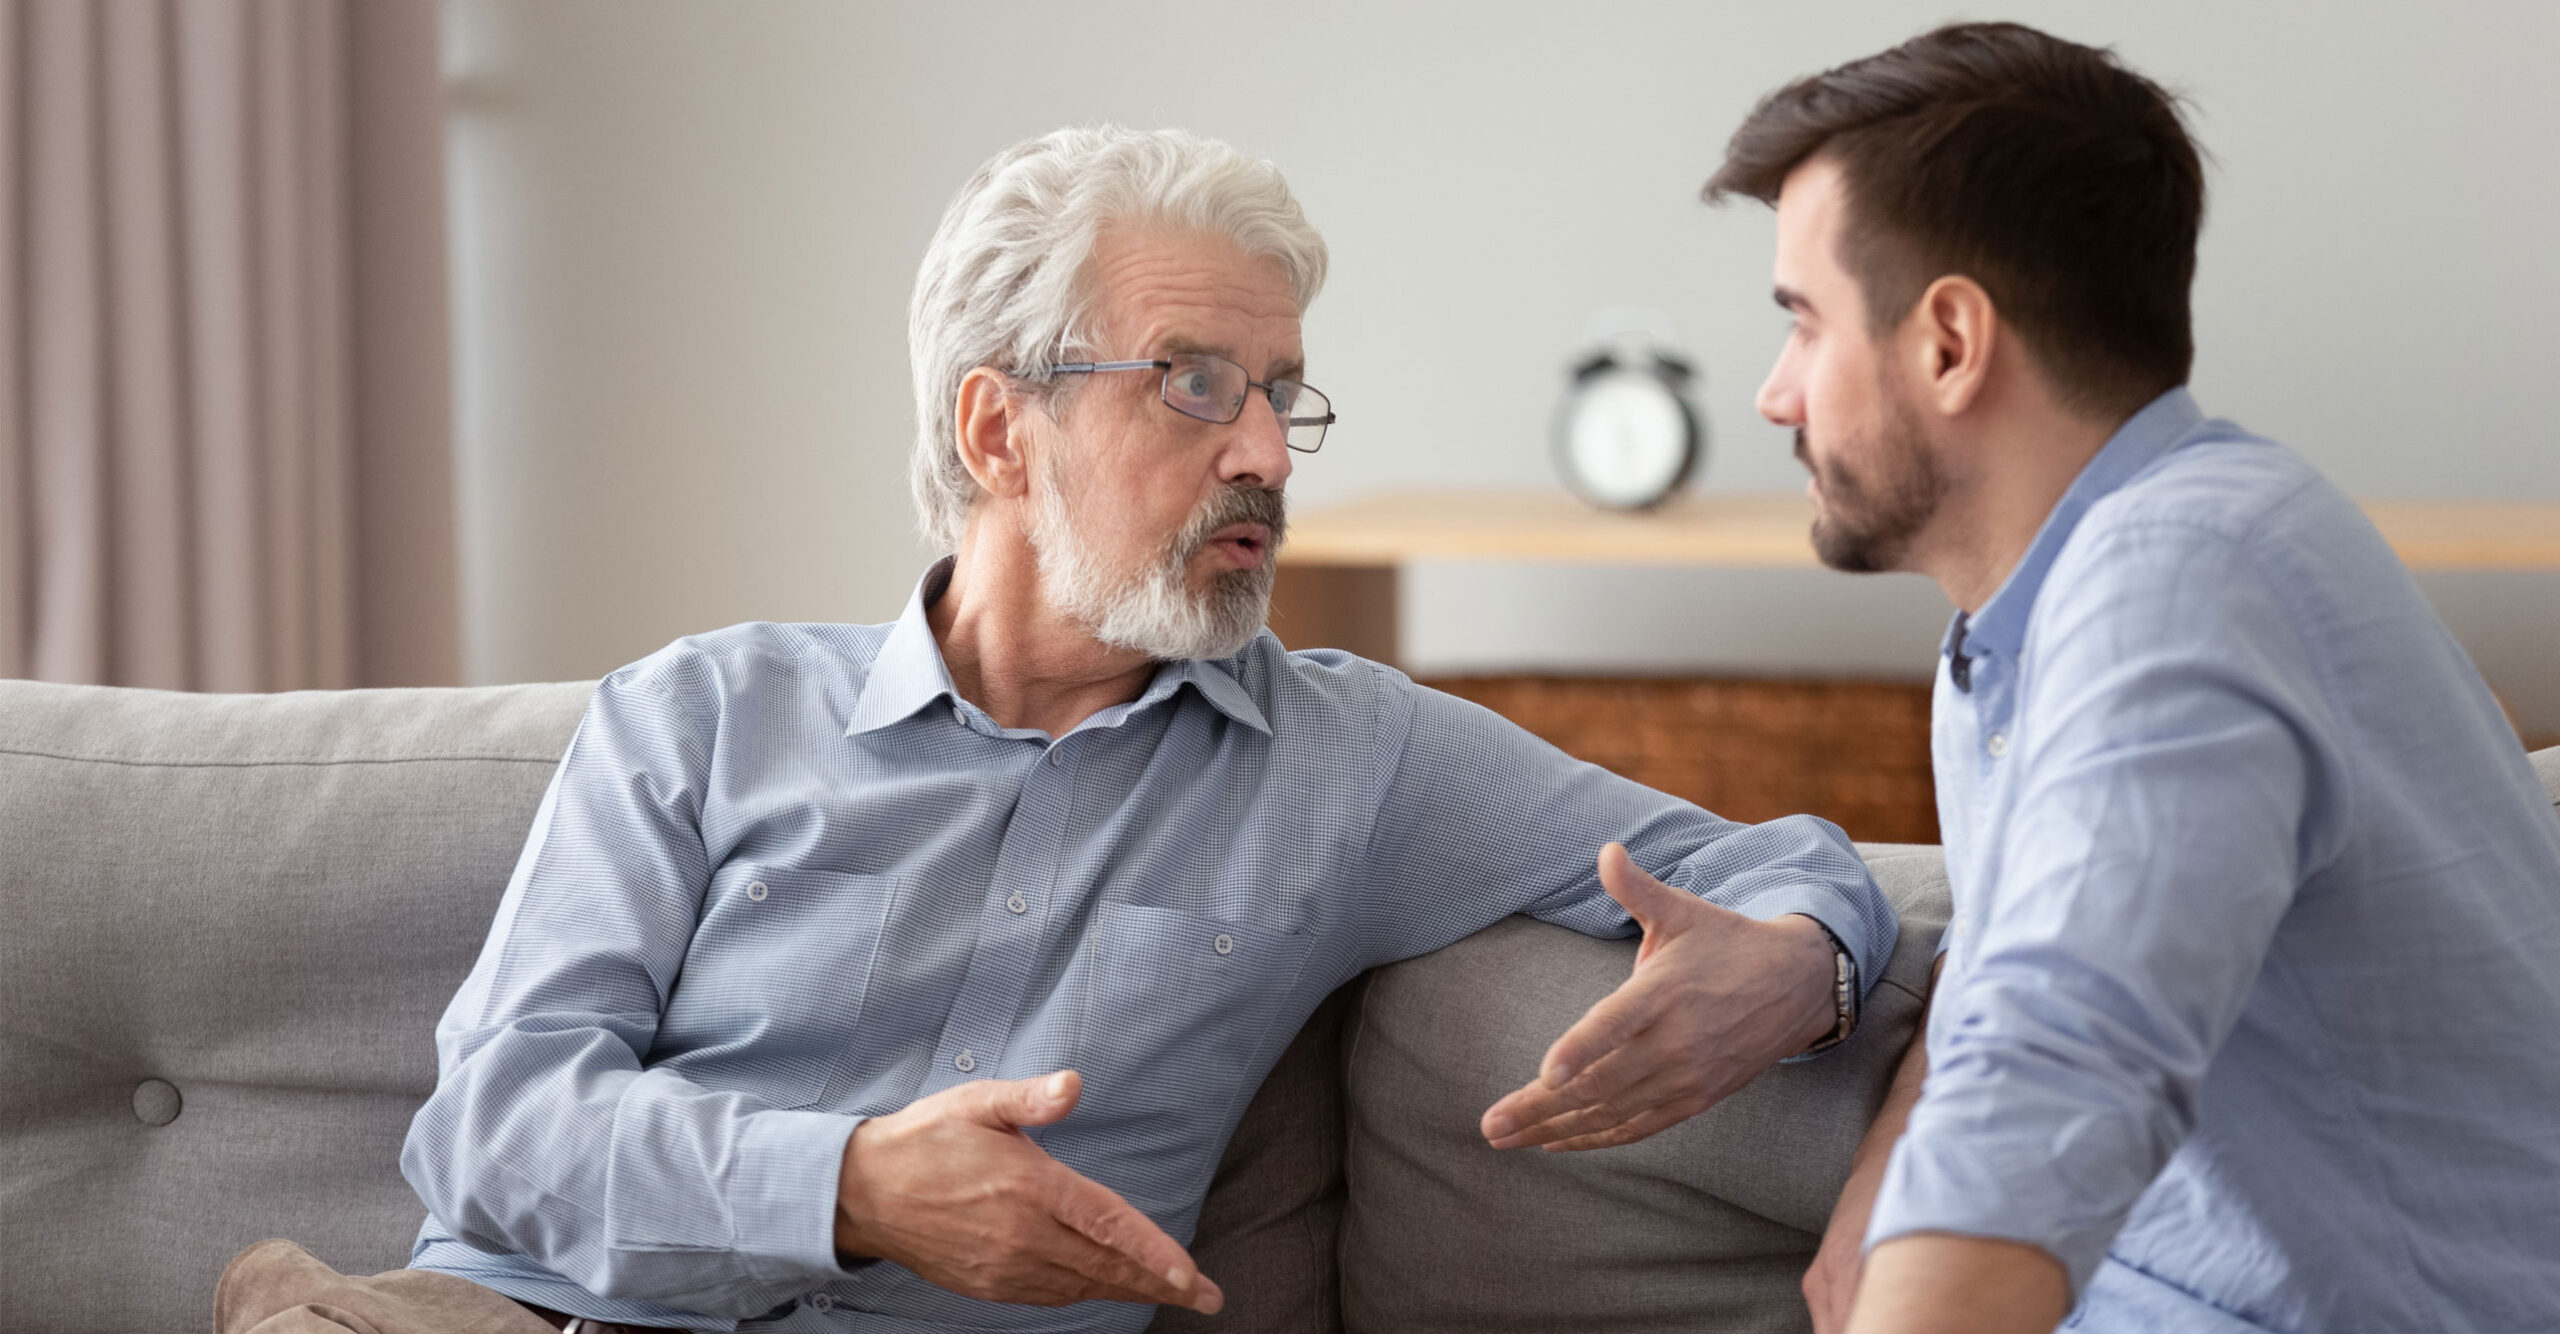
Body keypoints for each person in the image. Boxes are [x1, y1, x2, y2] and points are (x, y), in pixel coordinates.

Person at [215, 124, 1896, 1334]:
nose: (1265, 454)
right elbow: (492, 1128)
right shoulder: (703, 715)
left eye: (1277, 389)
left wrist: (1804, 959)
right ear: (997, 428)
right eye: (1190, 382)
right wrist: (850, 1183)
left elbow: (1756, 863)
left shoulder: (1354, 759)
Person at [1701, 21, 2560, 1334]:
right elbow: (2028, 972)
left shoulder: (2185, 573)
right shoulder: (2024, 620)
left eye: (1804, 324)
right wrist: (1883, 1174)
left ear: (1948, 342)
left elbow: (2055, 1069)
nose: (1775, 394)